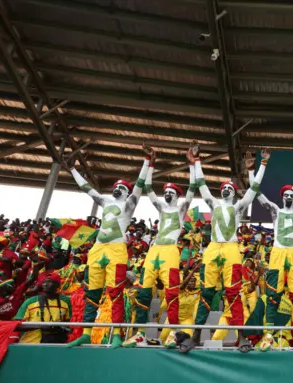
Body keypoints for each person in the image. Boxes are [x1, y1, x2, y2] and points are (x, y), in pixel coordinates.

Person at [182, 148, 270, 353]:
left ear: (234, 192)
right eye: (224, 188)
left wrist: (258, 167)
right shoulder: (213, 204)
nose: (226, 190)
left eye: (230, 188)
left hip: (231, 248)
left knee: (233, 293)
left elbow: (254, 188)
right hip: (213, 248)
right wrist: (196, 161)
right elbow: (202, 185)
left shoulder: (239, 206)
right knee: (206, 292)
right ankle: (195, 336)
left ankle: (242, 338)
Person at [65, 146, 150, 348]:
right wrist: (73, 170)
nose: (117, 188)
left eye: (122, 187)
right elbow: (87, 189)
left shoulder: (129, 204)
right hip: (97, 249)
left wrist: (147, 161)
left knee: (115, 293)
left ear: (127, 192)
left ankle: (118, 334)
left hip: (116, 251)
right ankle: (86, 331)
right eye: (116, 186)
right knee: (92, 292)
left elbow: (139, 184)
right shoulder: (104, 201)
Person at [248, 151, 293, 351]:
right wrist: (256, 166)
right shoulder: (275, 210)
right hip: (278, 252)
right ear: (282, 197)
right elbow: (255, 191)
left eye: (292, 195)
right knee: (272, 294)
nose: (289, 197)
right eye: (286, 195)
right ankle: (269, 334)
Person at [124, 145, 196, 348]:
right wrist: (150, 163)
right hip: (154, 250)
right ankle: (138, 333)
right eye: (166, 191)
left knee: (172, 292)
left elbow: (191, 190)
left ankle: (174, 333)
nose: (167, 194)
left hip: (171, 252)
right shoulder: (161, 207)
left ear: (176, 195)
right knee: (144, 291)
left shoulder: (182, 208)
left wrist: (192, 164)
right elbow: (148, 189)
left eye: (172, 192)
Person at [14, 273, 72, 344]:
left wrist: (58, 325)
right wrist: (41, 326)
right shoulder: (30, 302)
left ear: (58, 285)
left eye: (49, 281)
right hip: (32, 344)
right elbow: (16, 326)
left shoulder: (65, 301)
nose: (45, 284)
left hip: (57, 344)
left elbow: (69, 323)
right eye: (44, 282)